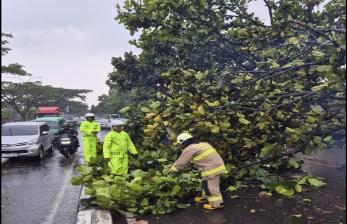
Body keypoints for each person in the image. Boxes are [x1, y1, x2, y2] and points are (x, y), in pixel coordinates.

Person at [168, 133, 227, 210]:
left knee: (210, 187)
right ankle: (206, 198)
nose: (181, 146)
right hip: (215, 166)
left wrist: (172, 170)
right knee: (205, 183)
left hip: (211, 168)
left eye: (181, 144)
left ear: (184, 142)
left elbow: (181, 162)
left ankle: (217, 204)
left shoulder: (190, 148)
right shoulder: (203, 144)